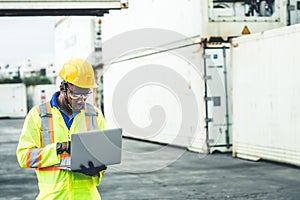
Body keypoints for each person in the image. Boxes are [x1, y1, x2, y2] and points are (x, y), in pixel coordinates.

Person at [16, 58, 107, 200]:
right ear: (62, 88)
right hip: (53, 197)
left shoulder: (94, 114)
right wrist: (60, 147)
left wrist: (97, 169)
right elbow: (24, 157)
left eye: (85, 94)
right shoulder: (39, 114)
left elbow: (103, 154)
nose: (81, 100)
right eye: (75, 94)